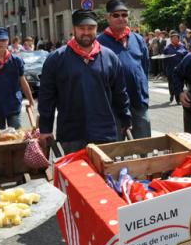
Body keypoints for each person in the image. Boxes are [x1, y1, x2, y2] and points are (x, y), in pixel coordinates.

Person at [38, 9, 131, 154]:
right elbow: (46, 96)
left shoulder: (110, 57)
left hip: (104, 132)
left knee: (105, 176)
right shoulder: (56, 58)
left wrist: (126, 120)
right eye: (81, 28)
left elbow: (120, 93)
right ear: (73, 29)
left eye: (91, 28)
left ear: (96, 29)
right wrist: (45, 128)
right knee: (76, 176)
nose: (86, 32)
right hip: (71, 134)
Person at [97, 0, 151, 138]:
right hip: (112, 105)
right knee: (115, 150)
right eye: (116, 15)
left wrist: (144, 91)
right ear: (107, 17)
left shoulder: (138, 39)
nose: (121, 18)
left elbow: (144, 67)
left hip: (138, 101)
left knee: (144, 145)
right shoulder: (99, 42)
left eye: (124, 15)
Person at [163, 30, 188, 103]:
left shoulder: (182, 46)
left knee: (180, 84)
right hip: (170, 69)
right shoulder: (167, 48)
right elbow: (164, 59)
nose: (175, 39)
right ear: (171, 39)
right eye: (173, 38)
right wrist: (165, 69)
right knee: (171, 84)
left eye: (176, 38)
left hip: (180, 69)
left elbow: (186, 57)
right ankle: (172, 94)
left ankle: (178, 98)